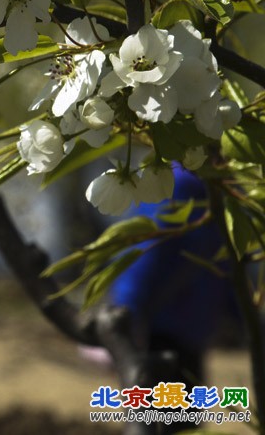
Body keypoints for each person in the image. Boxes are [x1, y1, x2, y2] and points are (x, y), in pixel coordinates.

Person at [106, 163, 232, 434]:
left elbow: (225, 268)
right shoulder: (176, 185)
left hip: (191, 335)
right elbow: (145, 254)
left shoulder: (219, 191)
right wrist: (127, 312)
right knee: (160, 422)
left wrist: (244, 319)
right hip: (160, 337)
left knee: (186, 422)